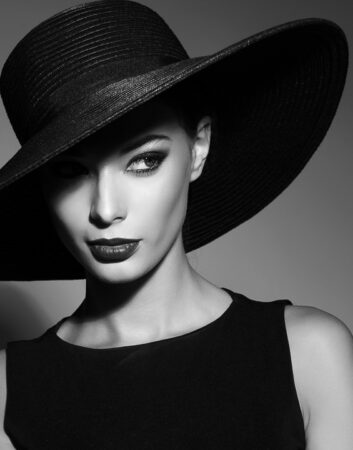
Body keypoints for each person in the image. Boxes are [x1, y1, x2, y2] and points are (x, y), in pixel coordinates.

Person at [0, 0, 352, 448]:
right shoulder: (7, 390)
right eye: (70, 171)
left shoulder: (309, 352)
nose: (106, 209)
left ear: (199, 148)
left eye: (144, 161)